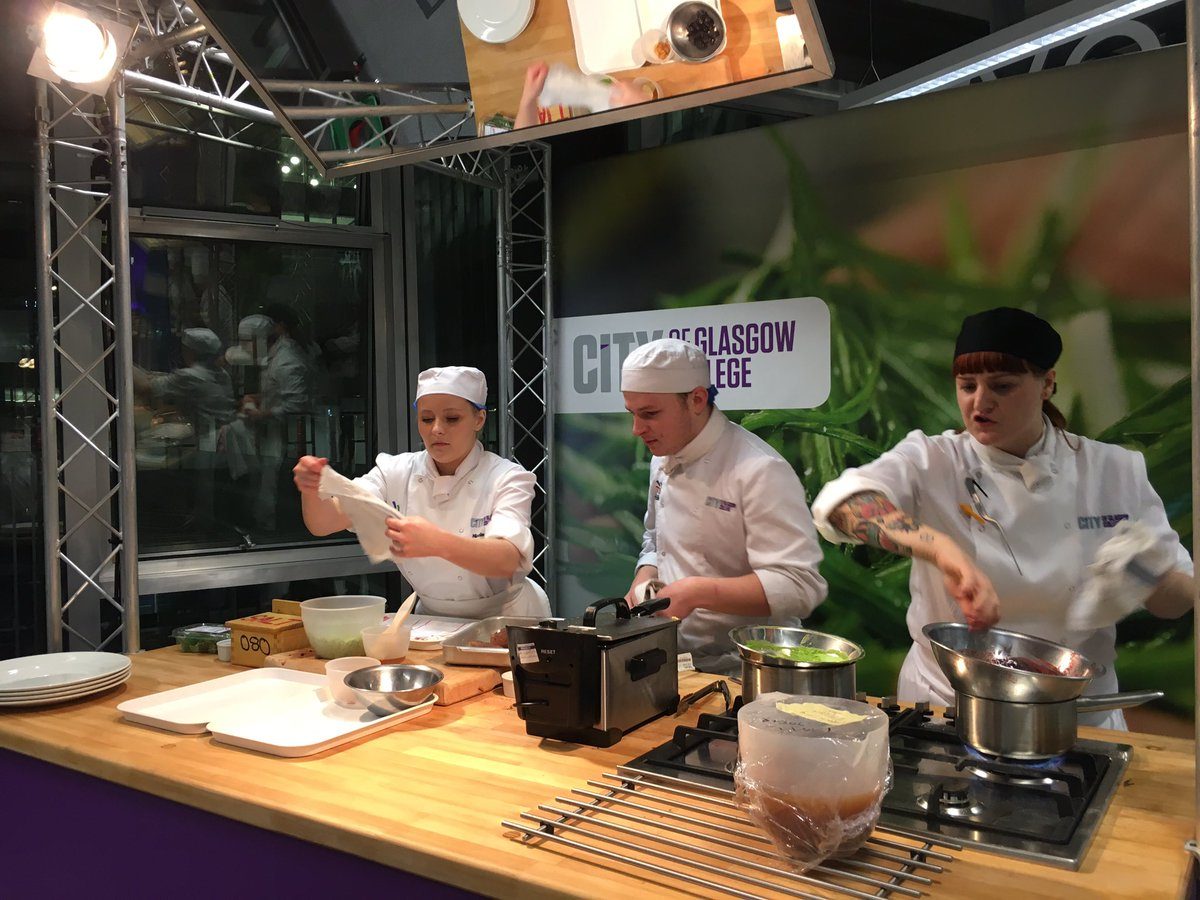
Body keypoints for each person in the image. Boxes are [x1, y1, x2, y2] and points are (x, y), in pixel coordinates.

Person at [811, 307, 1194, 729]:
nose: (979, 403)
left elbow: (1175, 603)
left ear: (1047, 384)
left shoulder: (1114, 470)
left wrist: (1147, 571)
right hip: (947, 706)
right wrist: (943, 550)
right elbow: (843, 504)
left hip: (1075, 716)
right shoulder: (934, 458)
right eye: (966, 386)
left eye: (1002, 386)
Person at [620, 338, 827, 673]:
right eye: (632, 414)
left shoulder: (759, 469)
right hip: (679, 662)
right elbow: (654, 540)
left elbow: (800, 585)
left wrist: (697, 592)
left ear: (697, 399)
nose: (636, 429)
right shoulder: (663, 459)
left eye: (650, 414)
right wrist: (644, 577)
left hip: (750, 669)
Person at [292, 366, 550, 618]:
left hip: (508, 618)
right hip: (432, 621)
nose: (436, 429)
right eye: (427, 418)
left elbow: (507, 559)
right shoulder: (394, 471)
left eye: (452, 418)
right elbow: (323, 523)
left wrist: (436, 542)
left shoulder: (507, 477)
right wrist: (313, 488)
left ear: (479, 419)